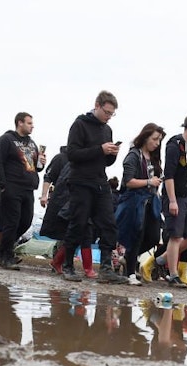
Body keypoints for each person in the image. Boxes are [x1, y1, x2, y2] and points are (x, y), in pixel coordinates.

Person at [60, 91, 127, 284]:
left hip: (100, 181)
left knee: (108, 223)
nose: (108, 116)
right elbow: (72, 154)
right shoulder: (80, 124)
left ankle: (106, 268)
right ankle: (68, 266)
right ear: (96, 105)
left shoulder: (107, 130)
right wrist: (100, 149)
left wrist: (112, 153)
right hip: (80, 181)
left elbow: (106, 162)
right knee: (78, 223)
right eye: (106, 112)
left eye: (111, 114)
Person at [150, 113, 187, 288]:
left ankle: (160, 260)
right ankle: (173, 275)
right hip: (176, 197)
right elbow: (169, 174)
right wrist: (172, 200)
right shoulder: (175, 144)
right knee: (175, 236)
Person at [116, 123, 165, 285]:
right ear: (145, 137)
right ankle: (130, 273)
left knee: (153, 237)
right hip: (135, 201)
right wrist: (149, 181)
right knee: (136, 235)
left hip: (152, 201)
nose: (157, 143)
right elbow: (128, 181)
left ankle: (128, 258)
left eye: (159, 140)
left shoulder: (155, 158)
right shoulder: (133, 156)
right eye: (155, 139)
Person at [0, 112, 43, 270]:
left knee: (26, 221)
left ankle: (1, 247)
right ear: (20, 123)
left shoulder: (31, 143)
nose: (32, 126)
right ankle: (5, 255)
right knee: (11, 222)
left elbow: (34, 166)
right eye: (29, 123)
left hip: (28, 188)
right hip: (11, 186)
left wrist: (41, 163)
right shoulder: (6, 139)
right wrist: (1, 185)